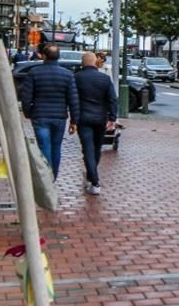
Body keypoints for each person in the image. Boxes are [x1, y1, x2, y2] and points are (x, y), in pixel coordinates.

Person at [17, 42, 77, 179]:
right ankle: (52, 177)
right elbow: (73, 99)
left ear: (43, 56)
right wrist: (74, 120)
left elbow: (26, 97)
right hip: (59, 117)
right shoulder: (68, 75)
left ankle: (46, 178)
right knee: (56, 147)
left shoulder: (34, 73)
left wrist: (28, 112)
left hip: (40, 115)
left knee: (44, 147)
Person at [73, 51, 117, 196]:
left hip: (83, 118)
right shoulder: (105, 79)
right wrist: (112, 117)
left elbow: (73, 99)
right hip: (100, 118)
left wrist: (73, 119)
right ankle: (92, 176)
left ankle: (94, 180)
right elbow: (112, 99)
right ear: (94, 62)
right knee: (97, 148)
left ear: (82, 62)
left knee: (87, 149)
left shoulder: (77, 77)